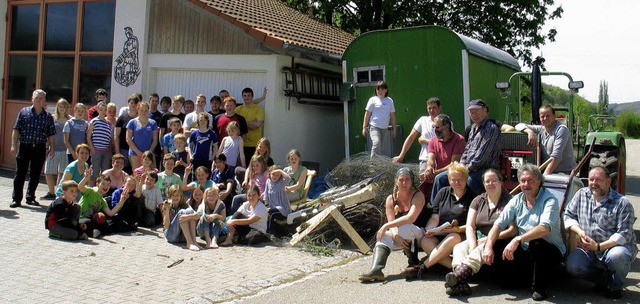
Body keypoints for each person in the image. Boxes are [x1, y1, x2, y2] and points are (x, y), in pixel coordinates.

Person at [482, 163, 565, 301]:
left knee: (536, 243)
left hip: (550, 251)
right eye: (523, 181)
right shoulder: (516, 200)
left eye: (530, 180)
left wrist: (518, 239)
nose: (526, 184)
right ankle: (524, 277)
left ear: (539, 181)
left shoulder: (550, 200)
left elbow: (544, 228)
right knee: (497, 245)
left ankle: (540, 287)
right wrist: (488, 246)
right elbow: (498, 224)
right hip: (526, 249)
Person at [564, 166, 636, 299]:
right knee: (572, 266)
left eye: (598, 180)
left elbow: (624, 233)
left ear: (608, 182)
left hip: (613, 248)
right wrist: (579, 232)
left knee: (618, 256)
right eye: (591, 179)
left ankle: (615, 286)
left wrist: (598, 247)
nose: (593, 183)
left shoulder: (622, 203)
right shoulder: (581, 194)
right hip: (588, 249)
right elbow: (568, 215)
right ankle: (603, 279)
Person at [444, 169, 515, 296]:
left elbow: (512, 230)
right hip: (478, 237)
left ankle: (457, 277)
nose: (491, 184)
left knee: (481, 248)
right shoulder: (478, 200)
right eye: (487, 181)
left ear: (501, 182)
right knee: (459, 247)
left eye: (494, 180)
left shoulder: (509, 200)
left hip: (499, 240)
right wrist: (472, 245)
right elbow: (470, 226)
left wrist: (489, 240)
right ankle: (459, 282)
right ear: (483, 184)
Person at [403, 162, 477, 279]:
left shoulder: (473, 197)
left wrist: (456, 229)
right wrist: (429, 229)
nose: (457, 183)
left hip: (460, 234)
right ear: (449, 180)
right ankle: (456, 269)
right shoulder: (443, 193)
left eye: (460, 179)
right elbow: (434, 217)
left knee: (453, 236)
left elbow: (472, 225)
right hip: (441, 232)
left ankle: (423, 267)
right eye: (453, 179)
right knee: (425, 241)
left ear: (466, 179)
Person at [359, 168, 430, 281]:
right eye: (401, 180)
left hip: (421, 234)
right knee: (384, 235)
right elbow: (392, 224)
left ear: (412, 182)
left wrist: (385, 226)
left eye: (407, 180)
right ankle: (376, 270)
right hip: (402, 234)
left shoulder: (418, 195)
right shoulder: (391, 199)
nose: (404, 183)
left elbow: (410, 218)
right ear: (396, 181)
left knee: (404, 227)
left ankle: (413, 262)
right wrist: (396, 236)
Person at [431, 99, 501, 201]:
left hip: (485, 169)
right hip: (468, 168)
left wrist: (464, 170)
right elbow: (466, 151)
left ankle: (465, 211)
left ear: (485, 111)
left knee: (468, 181)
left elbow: (482, 157)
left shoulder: (491, 129)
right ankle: (435, 210)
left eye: (477, 111)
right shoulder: (472, 128)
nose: (474, 114)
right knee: (440, 178)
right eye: (471, 112)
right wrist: (461, 166)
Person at [11, 89, 56, 208]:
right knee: (20, 173)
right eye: (36, 97)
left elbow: (51, 134)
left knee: (35, 174)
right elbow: (16, 129)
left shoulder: (47, 116)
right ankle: (16, 199)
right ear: (32, 98)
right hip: (25, 146)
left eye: (41, 98)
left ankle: (30, 197)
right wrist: (13, 144)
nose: (38, 100)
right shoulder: (24, 112)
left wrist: (52, 148)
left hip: (40, 147)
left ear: (44, 101)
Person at [515, 105, 577, 174]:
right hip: (549, 172)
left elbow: (556, 157)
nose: (545, 118)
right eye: (542, 116)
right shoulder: (541, 129)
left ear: (554, 116)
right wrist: (530, 132)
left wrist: (544, 176)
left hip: (564, 173)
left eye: (548, 116)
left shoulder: (561, 130)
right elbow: (518, 125)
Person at [393, 97, 441, 174]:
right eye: (429, 108)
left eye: (434, 108)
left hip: (441, 159)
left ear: (439, 108)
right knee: (424, 183)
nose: (431, 110)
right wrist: (401, 156)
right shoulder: (422, 120)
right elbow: (411, 138)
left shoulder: (446, 120)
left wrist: (425, 140)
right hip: (425, 159)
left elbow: (446, 141)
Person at [422, 114, 466, 184]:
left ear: (447, 127)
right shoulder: (433, 141)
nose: (435, 130)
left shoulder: (459, 140)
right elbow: (431, 159)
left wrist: (436, 173)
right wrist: (429, 168)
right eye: (434, 127)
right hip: (438, 173)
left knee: (439, 178)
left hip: (454, 173)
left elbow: (454, 164)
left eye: (437, 127)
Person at [42, 98, 71, 200]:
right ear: (57, 107)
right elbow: (47, 133)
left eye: (64, 106)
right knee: (48, 171)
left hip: (65, 150)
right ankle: (51, 192)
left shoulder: (70, 119)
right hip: (53, 148)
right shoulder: (52, 118)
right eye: (60, 106)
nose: (62, 108)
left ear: (67, 108)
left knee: (62, 172)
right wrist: (48, 147)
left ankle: (58, 192)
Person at [161, 184, 201, 251]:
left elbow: (197, 216)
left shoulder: (185, 205)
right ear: (170, 196)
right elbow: (166, 226)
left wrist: (187, 217)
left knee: (190, 211)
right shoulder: (166, 205)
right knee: (182, 212)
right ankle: (189, 243)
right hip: (171, 236)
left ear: (180, 196)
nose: (175, 198)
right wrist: (167, 210)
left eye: (177, 195)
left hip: (182, 237)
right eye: (173, 195)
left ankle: (194, 242)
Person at [362, 81, 396, 157]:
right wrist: (364, 127)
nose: (380, 91)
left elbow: (392, 115)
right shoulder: (372, 100)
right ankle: (372, 166)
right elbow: (367, 114)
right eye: (378, 89)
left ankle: (378, 166)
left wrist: (394, 129)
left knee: (380, 148)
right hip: (374, 126)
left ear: (386, 90)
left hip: (384, 128)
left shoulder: (389, 101)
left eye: (382, 89)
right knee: (376, 143)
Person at [235, 88, 266, 165]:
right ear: (242, 97)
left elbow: (257, 125)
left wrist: (242, 124)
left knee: (253, 168)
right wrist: (251, 123)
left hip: (254, 145)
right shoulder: (238, 109)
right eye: (244, 95)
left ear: (252, 96)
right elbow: (234, 126)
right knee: (240, 169)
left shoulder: (259, 109)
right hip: (240, 144)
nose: (247, 97)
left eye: (249, 95)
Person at [87, 102, 114, 186]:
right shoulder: (94, 121)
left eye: (105, 110)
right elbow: (88, 136)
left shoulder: (108, 123)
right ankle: (91, 189)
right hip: (96, 150)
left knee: (105, 173)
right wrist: (92, 149)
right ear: (98, 110)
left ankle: (102, 191)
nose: (103, 111)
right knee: (94, 173)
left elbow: (110, 138)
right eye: (101, 109)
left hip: (106, 151)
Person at [126, 101, 159, 170]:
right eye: (141, 110)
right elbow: (128, 139)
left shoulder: (153, 123)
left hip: (149, 154)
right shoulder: (132, 122)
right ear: (137, 109)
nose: (143, 112)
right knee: (137, 175)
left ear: (148, 110)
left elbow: (155, 140)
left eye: (145, 110)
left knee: (151, 175)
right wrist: (139, 153)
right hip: (135, 153)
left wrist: (148, 152)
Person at [263, 165, 292, 235]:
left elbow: (289, 178)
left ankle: (270, 234)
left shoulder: (281, 182)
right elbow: (266, 195)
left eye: (277, 175)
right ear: (269, 174)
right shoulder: (268, 181)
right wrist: (265, 205)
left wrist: (280, 171)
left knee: (271, 214)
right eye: (273, 174)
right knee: (265, 213)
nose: (275, 177)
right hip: (273, 207)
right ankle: (265, 230)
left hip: (282, 208)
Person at [115, 94, 140, 174]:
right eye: (131, 103)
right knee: (122, 171)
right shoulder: (122, 118)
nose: (133, 105)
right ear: (128, 103)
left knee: (135, 172)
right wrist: (117, 151)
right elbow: (116, 136)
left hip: (137, 150)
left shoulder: (141, 118)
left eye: (135, 103)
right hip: (124, 149)